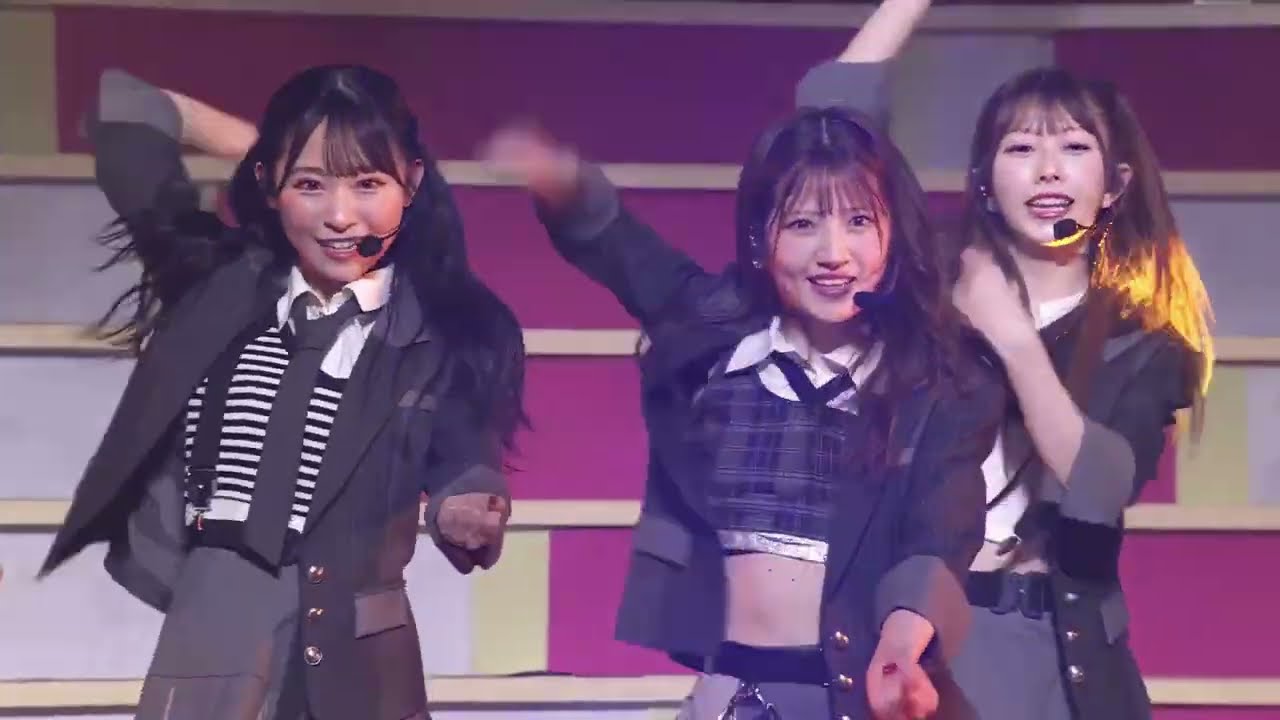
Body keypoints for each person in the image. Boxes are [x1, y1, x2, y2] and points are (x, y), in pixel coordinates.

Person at [482, 90, 1005, 716]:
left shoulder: (939, 385)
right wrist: (558, 177)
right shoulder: (718, 336)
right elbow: (624, 250)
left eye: (859, 222)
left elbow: (940, 530)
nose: (833, 253)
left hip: (860, 695)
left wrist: (902, 645)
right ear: (760, 239)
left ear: (893, 236)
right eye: (803, 224)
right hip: (729, 693)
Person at [39, 64, 527, 720]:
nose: (340, 216)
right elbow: (120, 105)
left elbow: (466, 457)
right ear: (269, 184)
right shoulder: (215, 285)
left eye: (368, 183)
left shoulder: (448, 328)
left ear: (411, 183)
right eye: (311, 186)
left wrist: (465, 503)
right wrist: (271, 151)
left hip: (365, 667)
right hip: (216, 644)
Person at [804, 2, 1214, 718]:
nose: (1048, 171)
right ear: (986, 178)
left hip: (1049, 645)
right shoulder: (928, 286)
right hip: (912, 631)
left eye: (1074, 148)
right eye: (1021, 149)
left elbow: (1096, 490)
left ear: (1114, 185)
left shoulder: (1145, 344)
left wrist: (1012, 337)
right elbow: (827, 122)